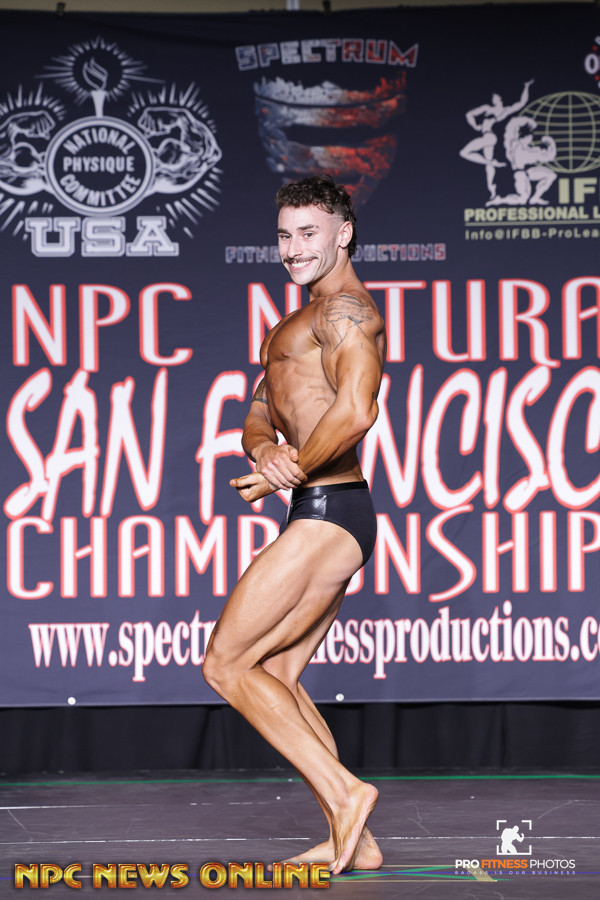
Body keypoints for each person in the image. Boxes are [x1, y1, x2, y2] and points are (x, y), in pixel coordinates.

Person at [202, 174, 386, 874]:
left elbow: (358, 410)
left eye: (309, 232)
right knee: (276, 672)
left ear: (344, 234)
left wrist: (295, 466)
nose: (293, 247)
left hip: (332, 510)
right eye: (284, 234)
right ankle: (355, 840)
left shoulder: (347, 312)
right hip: (321, 509)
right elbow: (258, 411)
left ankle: (347, 795)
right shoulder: (297, 323)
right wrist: (266, 453)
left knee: (225, 664)